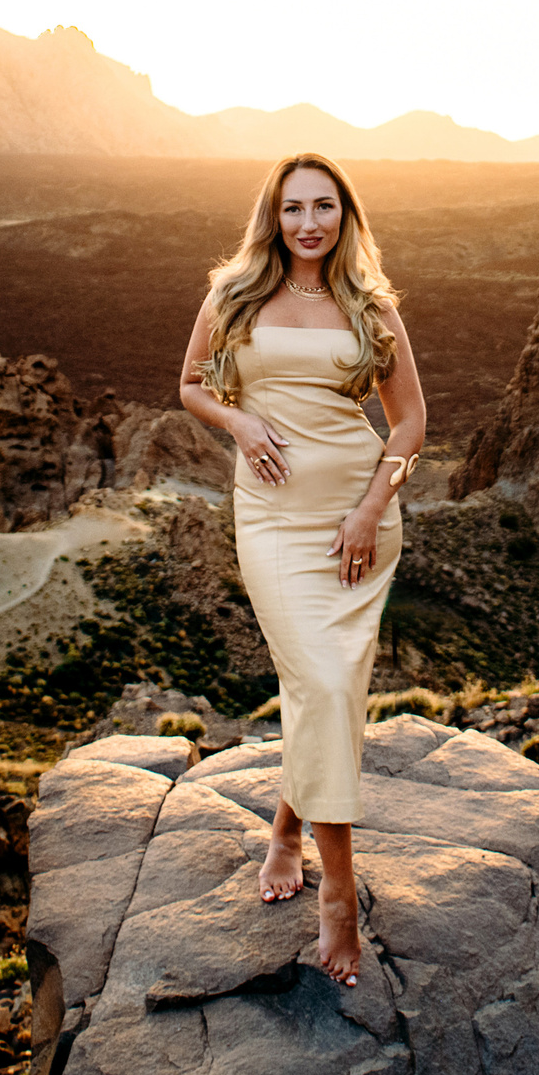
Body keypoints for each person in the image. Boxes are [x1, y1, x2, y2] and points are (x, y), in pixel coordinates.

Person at [178, 152, 425, 989]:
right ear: (273, 216)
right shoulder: (235, 294)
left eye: (324, 207)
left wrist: (368, 507)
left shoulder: (371, 305)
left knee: (329, 689)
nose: (309, 222)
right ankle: (341, 895)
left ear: (345, 216)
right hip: (276, 523)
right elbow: (188, 385)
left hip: (358, 523)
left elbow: (410, 420)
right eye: (294, 208)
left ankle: (289, 831)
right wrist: (240, 422)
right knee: (320, 683)